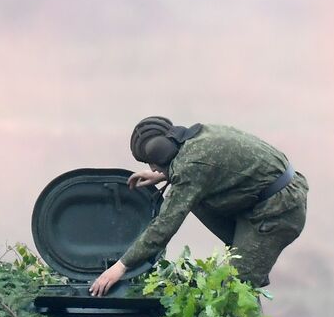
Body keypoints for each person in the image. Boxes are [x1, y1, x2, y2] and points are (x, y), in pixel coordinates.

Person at [89, 116, 308, 296]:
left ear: (158, 153)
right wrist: (166, 175)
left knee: (232, 291)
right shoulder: (197, 138)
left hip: (278, 211)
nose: (151, 167)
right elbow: (207, 168)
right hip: (266, 197)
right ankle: (249, 260)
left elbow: (163, 227)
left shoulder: (191, 169)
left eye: (150, 162)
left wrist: (120, 267)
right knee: (237, 280)